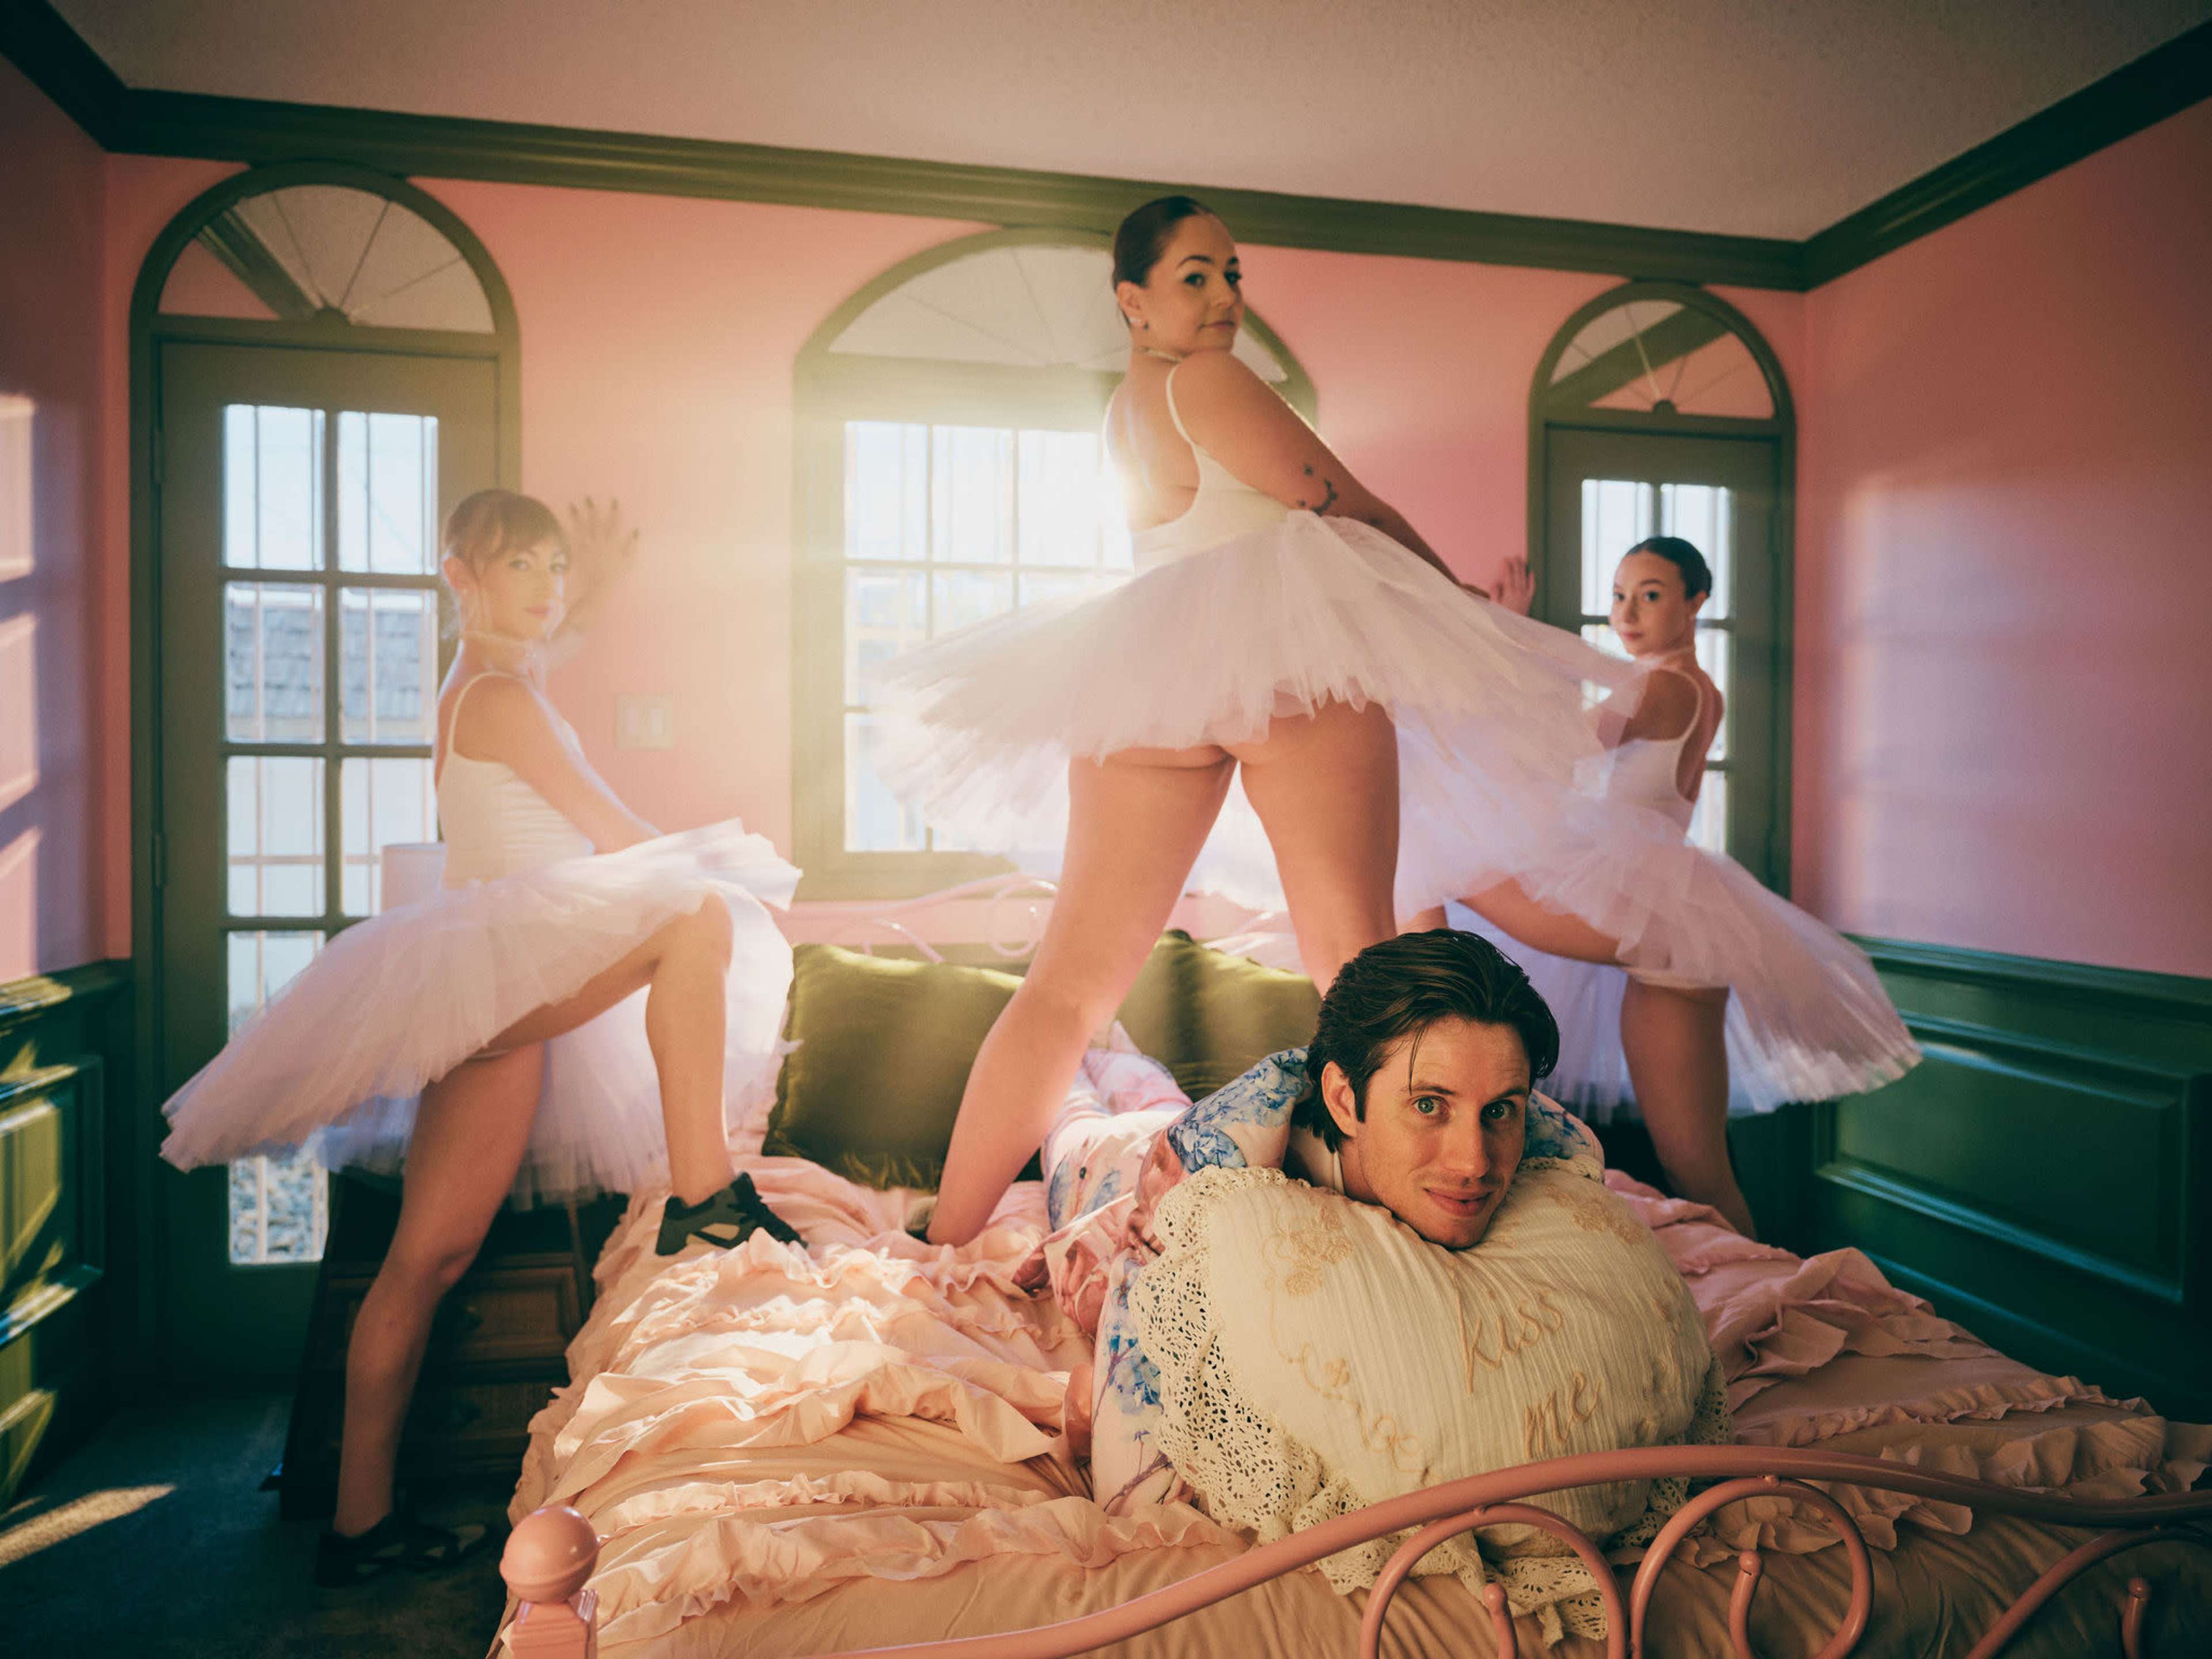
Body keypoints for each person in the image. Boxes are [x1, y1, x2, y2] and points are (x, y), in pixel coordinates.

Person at [878, 196, 1642, 1245]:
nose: (1228, 297)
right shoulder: (1209, 379)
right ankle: (1416, 1232)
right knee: (1361, 967)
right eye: (1197, 275)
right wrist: (1470, 608)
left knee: (1066, 986)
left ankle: (947, 1239)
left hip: (1153, 673)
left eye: (1235, 274)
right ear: (1133, 301)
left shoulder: (1125, 411)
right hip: (1284, 668)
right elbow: (1351, 504)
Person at [158, 490, 802, 1584]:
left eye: (555, 568)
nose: (548, 588)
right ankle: (702, 1198)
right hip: (500, 965)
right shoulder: (498, 693)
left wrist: (582, 582)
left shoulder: (500, 684)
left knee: (428, 1258)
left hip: (498, 987)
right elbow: (608, 830)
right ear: (460, 575)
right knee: (693, 914)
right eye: (522, 568)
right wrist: (724, 872)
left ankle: (359, 1528)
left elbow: (558, 681)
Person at [1412, 537, 1919, 1237]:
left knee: (1699, 1173)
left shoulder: (1661, 687)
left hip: (1653, 913)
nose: (1629, 611)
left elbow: (1550, 749)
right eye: (1620, 595)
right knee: (1698, 1168)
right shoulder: (1694, 686)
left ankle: (1765, 1302)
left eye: (1651, 594)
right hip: (1651, 908)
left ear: (1697, 602)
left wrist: (1496, 637)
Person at [1019, 929, 1599, 1510]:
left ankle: (1117, 1052)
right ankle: (1094, 1049)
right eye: (1429, 1106)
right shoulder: (1214, 1162)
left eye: (1499, 1110)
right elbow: (1134, 1487)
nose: (1474, 1163)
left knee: (1153, 1094)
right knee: (1076, 1112)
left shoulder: (1552, 1142)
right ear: (1345, 1101)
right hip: (1114, 1173)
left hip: (1179, 1127)